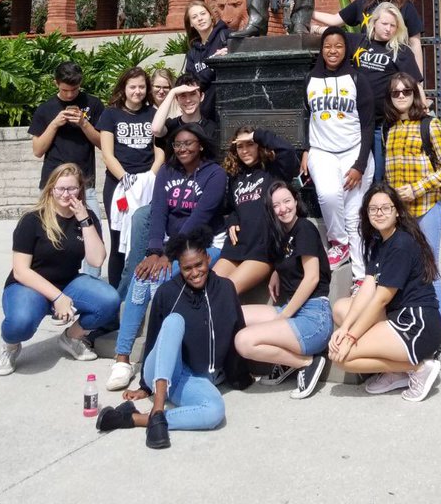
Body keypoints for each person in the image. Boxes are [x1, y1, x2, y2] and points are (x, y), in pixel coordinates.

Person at [96, 227, 249, 445]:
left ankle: (135, 418)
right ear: (180, 266)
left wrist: (240, 374)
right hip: (162, 370)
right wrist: (145, 387)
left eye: (199, 265)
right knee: (174, 321)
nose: (195, 273)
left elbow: (237, 329)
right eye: (187, 268)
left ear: (207, 257)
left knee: (214, 411)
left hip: (192, 380)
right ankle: (157, 409)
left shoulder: (225, 289)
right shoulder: (168, 293)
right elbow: (155, 340)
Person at [106, 123, 226, 390]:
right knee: (141, 276)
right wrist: (153, 252)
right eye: (177, 144)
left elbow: (198, 219)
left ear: (201, 145)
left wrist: (168, 256)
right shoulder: (166, 171)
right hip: (171, 244)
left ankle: (157, 358)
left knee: (159, 278)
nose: (182, 149)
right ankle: (122, 357)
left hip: (204, 244)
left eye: (188, 144)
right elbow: (158, 212)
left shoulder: (215, 174)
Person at [0, 162, 120, 376]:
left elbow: (97, 260)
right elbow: (20, 271)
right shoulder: (32, 219)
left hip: (68, 281)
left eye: (72, 188)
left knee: (109, 300)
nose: (66, 194)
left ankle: (72, 338)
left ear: (80, 190)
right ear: (51, 189)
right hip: (29, 285)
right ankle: (10, 346)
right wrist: (58, 298)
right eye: (60, 188)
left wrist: (84, 220)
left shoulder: (86, 216)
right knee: (20, 322)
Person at [329, 182, 441, 402]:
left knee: (342, 358)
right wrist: (345, 327)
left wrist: (351, 337)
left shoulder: (401, 244)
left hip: (416, 325)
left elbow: (381, 299)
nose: (379, 213)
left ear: (397, 211)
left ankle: (418, 367)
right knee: (342, 308)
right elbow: (367, 288)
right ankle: (397, 371)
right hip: (396, 317)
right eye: (373, 209)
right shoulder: (379, 242)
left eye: (385, 208)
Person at [117, 73, 219, 304]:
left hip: (196, 197)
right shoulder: (172, 125)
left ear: (201, 96)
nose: (187, 99)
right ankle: (124, 296)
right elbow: (155, 128)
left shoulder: (212, 126)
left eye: (192, 94)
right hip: (171, 194)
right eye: (182, 96)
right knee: (142, 216)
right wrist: (173, 93)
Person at [235, 181, 333, 399]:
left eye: (287, 201)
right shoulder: (280, 234)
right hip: (291, 310)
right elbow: (290, 258)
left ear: (296, 201)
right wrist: (276, 272)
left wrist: (285, 315)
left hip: (313, 317)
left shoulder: (305, 228)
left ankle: (306, 362)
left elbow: (312, 278)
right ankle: (289, 361)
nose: (283, 208)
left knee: (244, 341)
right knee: (235, 313)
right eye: (276, 205)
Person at [301, 26, 374, 281]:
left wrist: (360, 164)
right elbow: (306, 117)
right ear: (322, 49)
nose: (333, 51)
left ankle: (360, 277)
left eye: (338, 46)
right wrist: (306, 150)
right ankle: (338, 243)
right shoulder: (310, 79)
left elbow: (367, 124)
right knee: (329, 194)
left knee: (354, 216)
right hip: (322, 151)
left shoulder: (357, 79)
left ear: (346, 50)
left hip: (353, 151)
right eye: (328, 46)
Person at [384, 72, 441, 316]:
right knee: (407, 266)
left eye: (406, 91)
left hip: (427, 208)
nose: (401, 96)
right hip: (402, 214)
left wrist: (416, 188)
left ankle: (434, 328)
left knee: (429, 266)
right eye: (396, 92)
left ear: (415, 95)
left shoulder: (430, 125)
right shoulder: (389, 129)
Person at [28, 61, 104, 277]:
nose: (70, 94)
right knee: (48, 232)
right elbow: (37, 150)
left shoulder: (93, 104)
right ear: (56, 83)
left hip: (84, 184)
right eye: (64, 90)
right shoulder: (46, 109)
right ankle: (50, 278)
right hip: (53, 185)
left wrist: (83, 123)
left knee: (92, 230)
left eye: (74, 89)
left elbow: (102, 143)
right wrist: (54, 124)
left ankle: (91, 281)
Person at [97, 67, 165, 288]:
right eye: (132, 87)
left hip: (148, 183)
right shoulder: (110, 114)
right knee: (118, 240)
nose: (137, 91)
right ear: (124, 88)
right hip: (119, 186)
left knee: (145, 239)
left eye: (142, 87)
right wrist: (126, 179)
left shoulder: (153, 114)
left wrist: (150, 177)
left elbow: (160, 150)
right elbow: (107, 153)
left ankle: (140, 289)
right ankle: (116, 297)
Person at [214, 125, 300, 296]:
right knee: (208, 290)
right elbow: (231, 207)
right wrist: (232, 220)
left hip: (262, 251)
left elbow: (288, 152)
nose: (245, 150)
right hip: (236, 247)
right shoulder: (235, 177)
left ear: (259, 145)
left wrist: (258, 135)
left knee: (225, 293)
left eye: (250, 144)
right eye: (240, 146)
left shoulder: (274, 171)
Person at [313, 0, 425, 72]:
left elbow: (415, 42)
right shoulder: (363, 2)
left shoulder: (406, 6)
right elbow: (334, 20)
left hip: (395, 69)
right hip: (367, 66)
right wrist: (307, 13)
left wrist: (419, 80)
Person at [354, 2, 423, 180]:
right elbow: (333, 37)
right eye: (385, 24)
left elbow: (415, 84)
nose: (388, 29)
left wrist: (424, 107)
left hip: (380, 124)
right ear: (374, 22)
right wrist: (313, 28)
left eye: (393, 25)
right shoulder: (359, 42)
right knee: (356, 173)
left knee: (378, 174)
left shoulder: (401, 51)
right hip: (354, 122)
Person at [183, 0, 229, 122]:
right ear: (191, 24)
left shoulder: (227, 37)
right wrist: (214, 64)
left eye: (203, 14)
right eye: (194, 17)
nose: (200, 19)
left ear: (210, 16)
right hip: (206, 117)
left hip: (229, 111)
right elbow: (193, 85)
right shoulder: (193, 53)